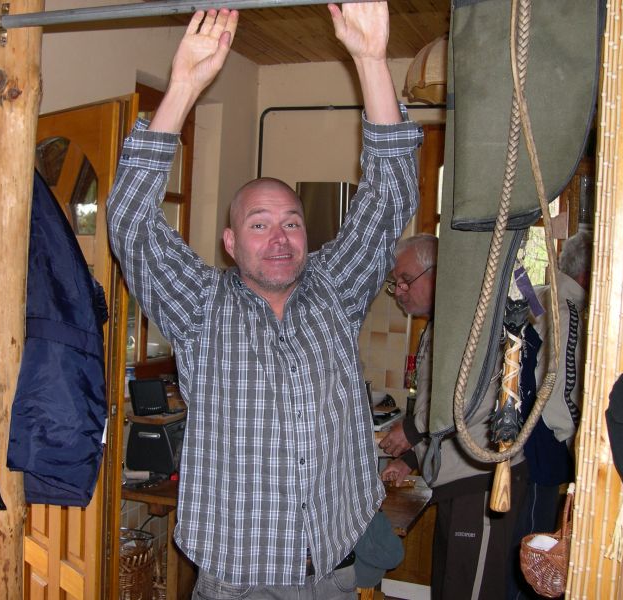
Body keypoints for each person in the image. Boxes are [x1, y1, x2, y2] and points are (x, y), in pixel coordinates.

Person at [107, 3, 423, 598]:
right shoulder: (199, 306)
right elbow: (130, 223)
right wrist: (183, 88)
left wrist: (371, 60)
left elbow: (389, 196)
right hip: (238, 583)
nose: (279, 238)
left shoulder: (335, 288)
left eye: (291, 223)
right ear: (230, 243)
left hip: (334, 573)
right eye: (259, 224)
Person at [379, 233, 528, 600]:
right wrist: (411, 459)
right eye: (395, 282)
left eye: (406, 279)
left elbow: (465, 397)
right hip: (459, 480)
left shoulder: (465, 317)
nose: (399, 291)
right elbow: (446, 414)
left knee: (470, 590)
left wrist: (411, 431)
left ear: (438, 272)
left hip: (482, 482)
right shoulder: (442, 321)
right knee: (450, 588)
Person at [508, 229, 592, 599]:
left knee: (518, 548)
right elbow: (561, 393)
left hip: (519, 440)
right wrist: (576, 447)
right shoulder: (568, 312)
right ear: (588, 275)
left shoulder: (540, 296)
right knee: (536, 554)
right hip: (542, 447)